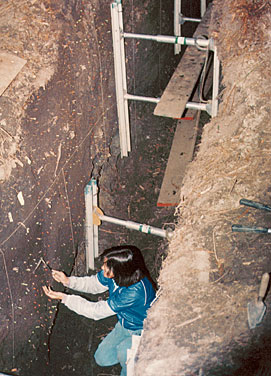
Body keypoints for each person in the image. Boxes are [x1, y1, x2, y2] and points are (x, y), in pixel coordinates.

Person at [42, 245, 157, 376]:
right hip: (124, 325)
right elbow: (94, 284)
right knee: (102, 358)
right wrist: (68, 281)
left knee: (123, 353)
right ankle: (132, 357)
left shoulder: (135, 292)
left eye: (106, 266)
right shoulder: (116, 275)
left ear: (121, 271)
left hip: (142, 330)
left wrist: (65, 298)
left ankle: (135, 365)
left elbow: (95, 311)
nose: (102, 268)